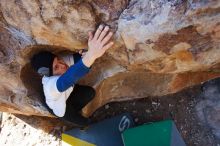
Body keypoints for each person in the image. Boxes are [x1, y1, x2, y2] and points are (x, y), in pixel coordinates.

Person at [31, 25, 114, 126]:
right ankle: (83, 124)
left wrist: (86, 54)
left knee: (90, 93)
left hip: (66, 94)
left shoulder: (61, 63)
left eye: (58, 60)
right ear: (50, 74)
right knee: (83, 122)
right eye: (56, 67)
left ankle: (76, 108)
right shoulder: (50, 86)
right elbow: (67, 79)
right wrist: (91, 55)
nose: (62, 65)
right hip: (61, 108)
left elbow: (79, 61)